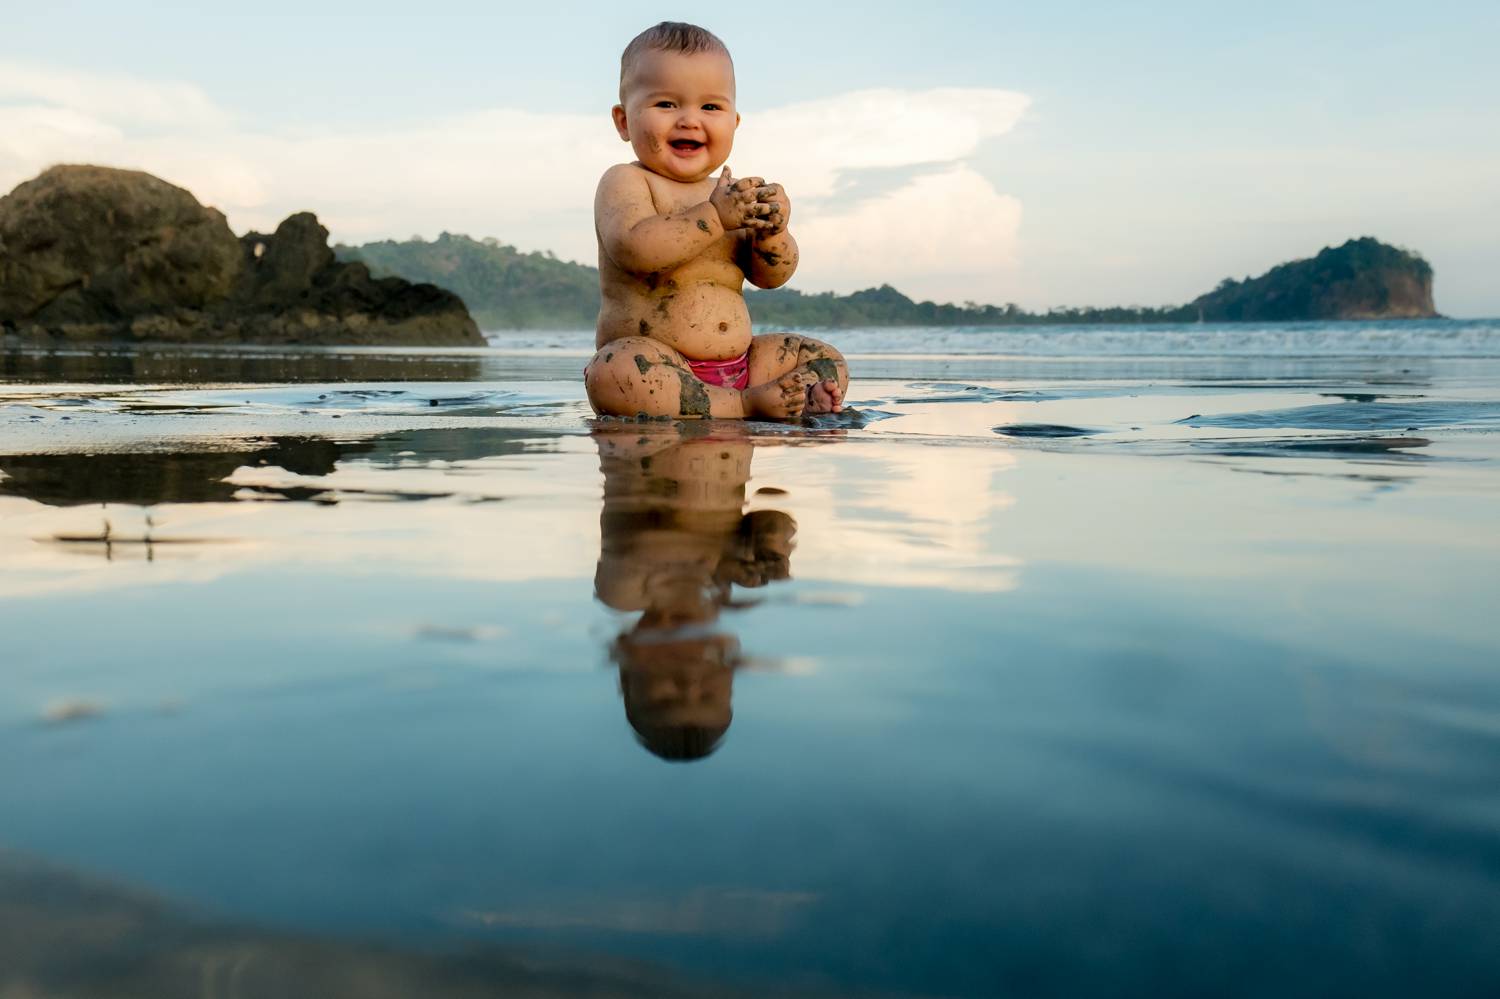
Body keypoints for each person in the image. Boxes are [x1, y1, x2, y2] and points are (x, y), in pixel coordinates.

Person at [584, 21, 849, 421]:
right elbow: (635, 248)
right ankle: (746, 406)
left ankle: (793, 396)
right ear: (624, 121)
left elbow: (771, 277)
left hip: (743, 364)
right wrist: (713, 217)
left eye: (710, 107)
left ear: (734, 123)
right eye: (666, 104)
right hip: (661, 368)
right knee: (614, 370)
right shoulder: (627, 181)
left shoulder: (733, 195)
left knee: (825, 358)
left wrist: (773, 233)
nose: (690, 120)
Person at [593, 422, 797, 760]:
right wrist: (771, 547)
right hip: (727, 424)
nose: (690, 684)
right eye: (709, 696)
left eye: (666, 699)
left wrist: (728, 558)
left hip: (641, 421)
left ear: (626, 676)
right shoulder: (730, 580)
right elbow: (776, 519)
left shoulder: (622, 592)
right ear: (730, 677)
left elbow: (649, 544)